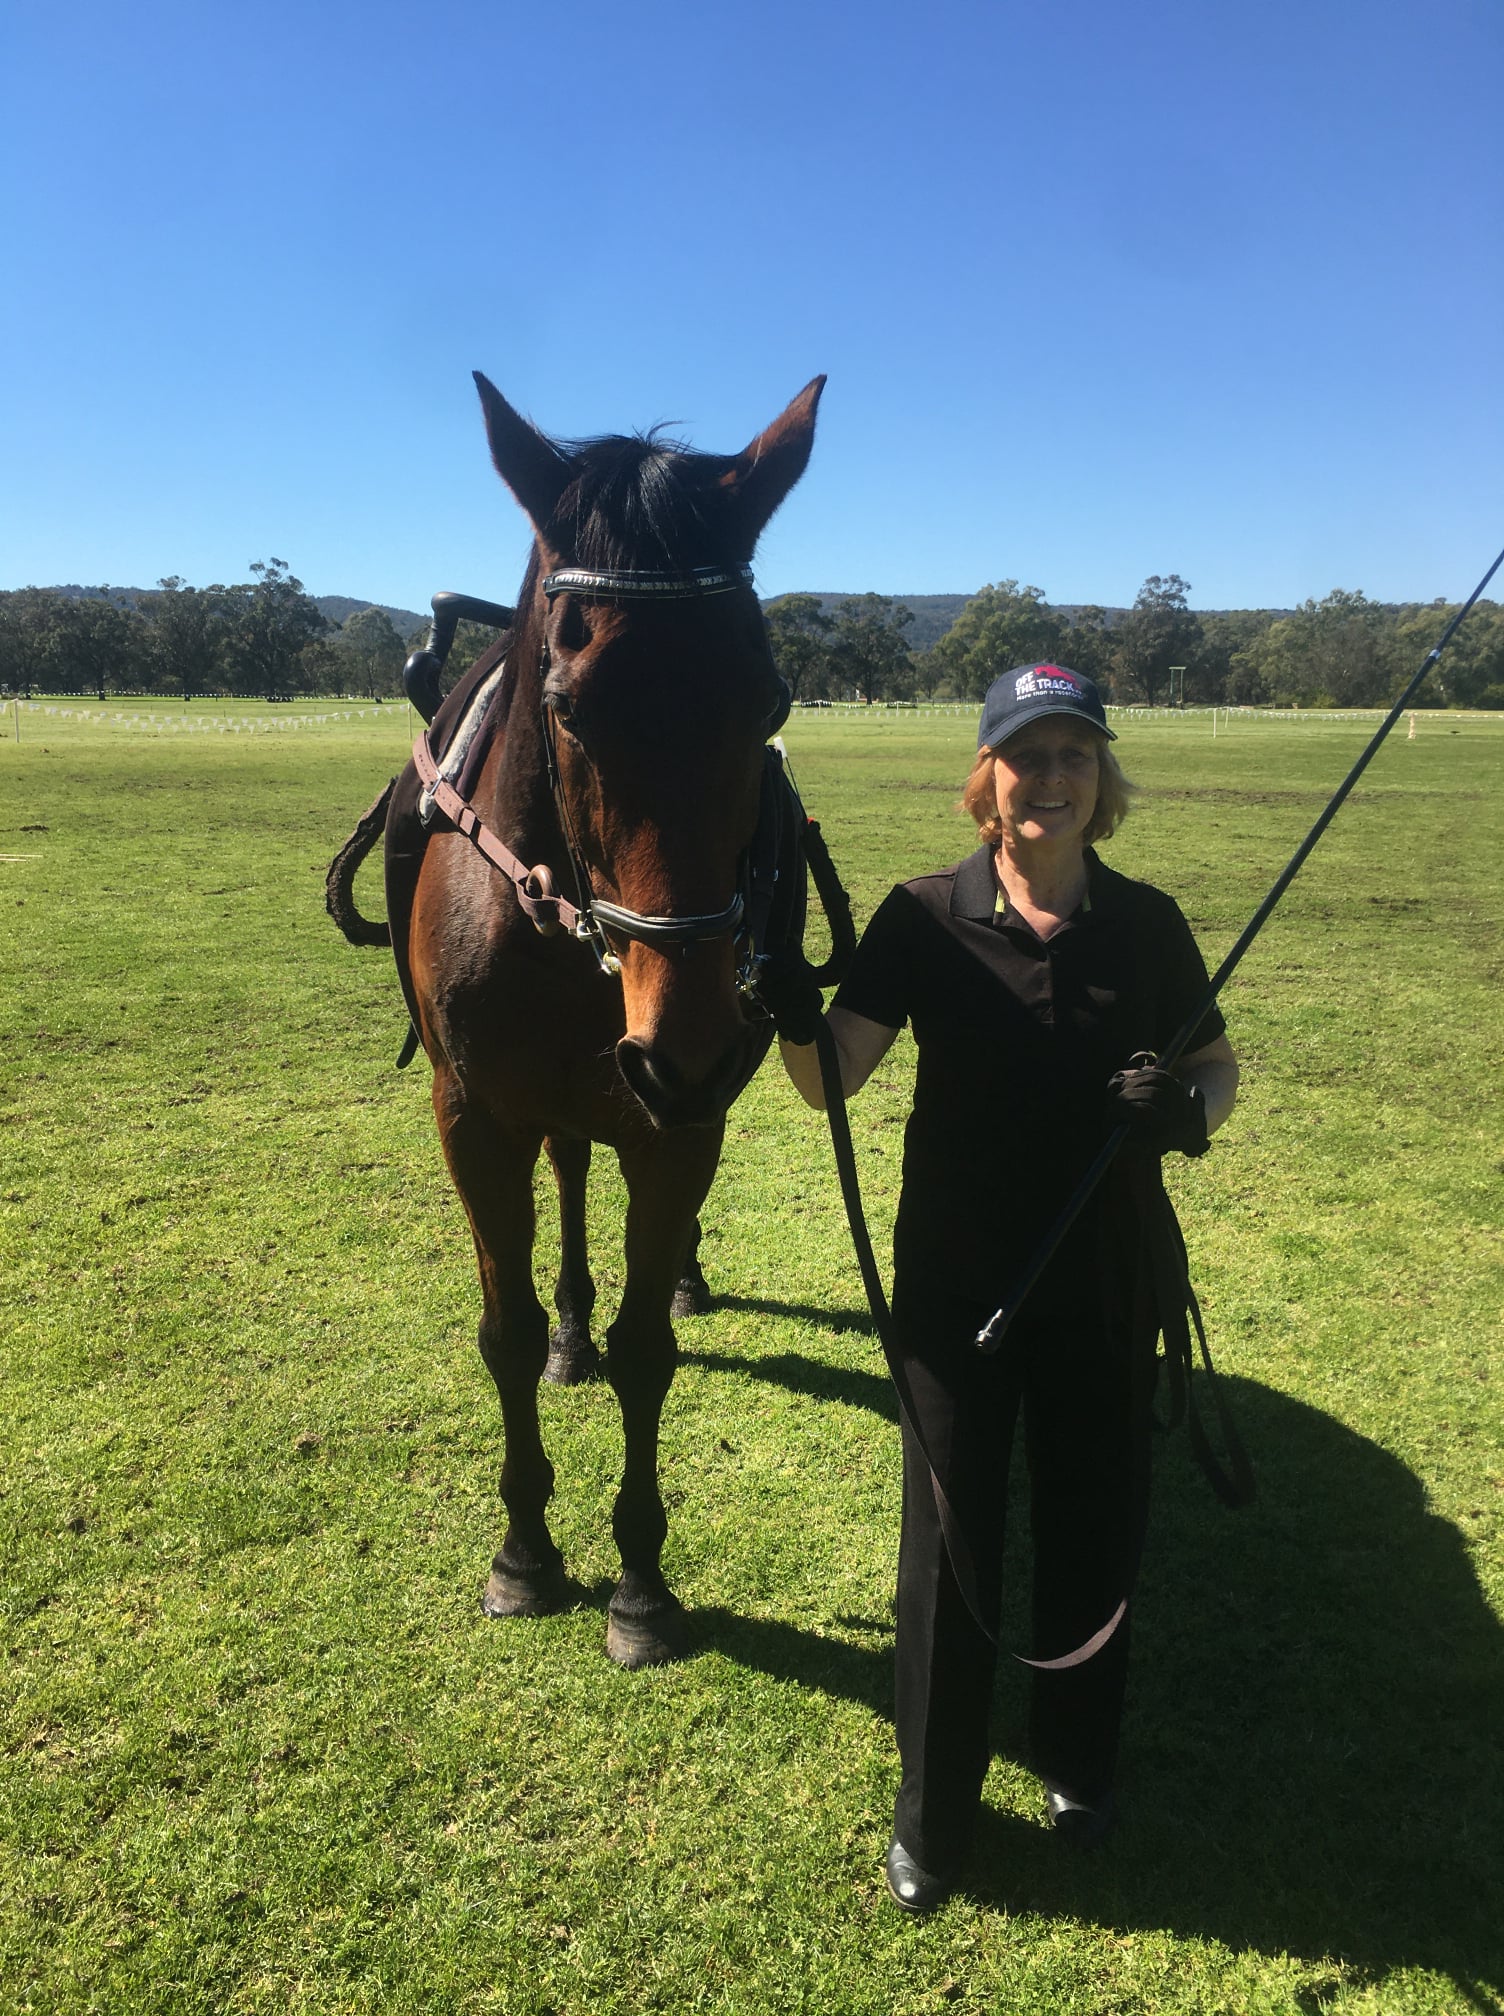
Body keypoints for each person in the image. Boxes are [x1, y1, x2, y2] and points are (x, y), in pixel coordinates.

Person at [778, 663, 1239, 1913]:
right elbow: (829, 1080)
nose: (1050, 779)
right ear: (986, 779)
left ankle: (1078, 1764)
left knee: (1095, 1522)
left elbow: (1214, 1063)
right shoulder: (921, 916)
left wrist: (1184, 1115)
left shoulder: (1147, 923)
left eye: (1073, 756)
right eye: (1025, 757)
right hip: (955, 1291)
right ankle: (934, 1815)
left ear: (1101, 779)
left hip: (1107, 1280)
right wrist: (781, 1002)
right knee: (949, 1551)